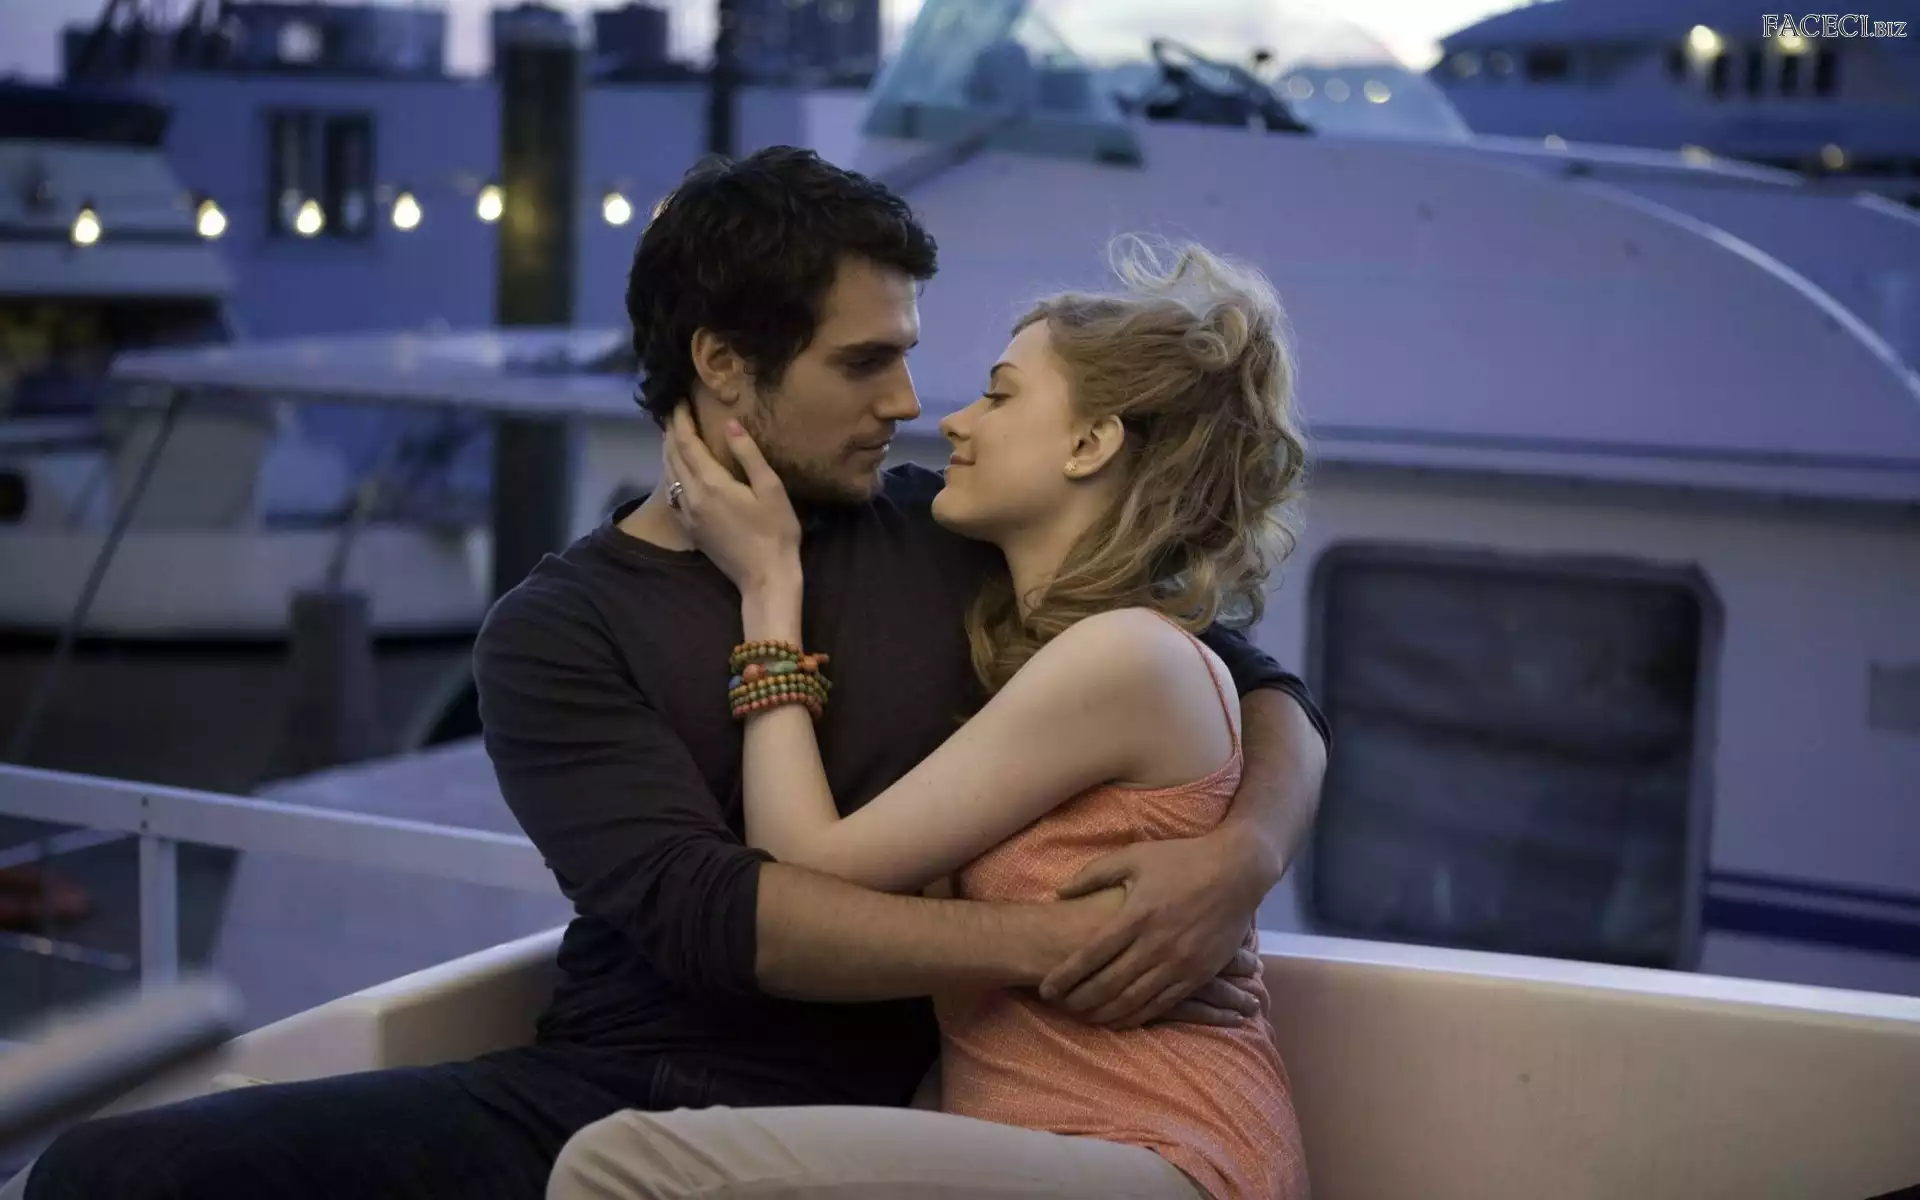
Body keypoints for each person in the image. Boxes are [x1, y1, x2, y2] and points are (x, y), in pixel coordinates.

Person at [7, 147, 1325, 1200]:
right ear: (723, 364)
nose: (909, 403)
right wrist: (1063, 944)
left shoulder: (951, 531)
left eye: (912, 356)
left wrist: (1239, 860)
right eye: (864, 362)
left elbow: (1251, 685)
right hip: (633, 1082)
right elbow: (725, 918)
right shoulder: (557, 630)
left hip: (923, 1101)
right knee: (111, 1172)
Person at [545, 238, 1310, 1199]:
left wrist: (769, 589)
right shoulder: (1051, 652)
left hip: (1166, 1155)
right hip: (1052, 1146)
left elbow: (806, 868)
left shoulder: (1126, 656)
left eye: (998, 395)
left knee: (619, 1165)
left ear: (1089, 445)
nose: (948, 419)